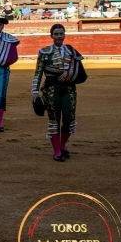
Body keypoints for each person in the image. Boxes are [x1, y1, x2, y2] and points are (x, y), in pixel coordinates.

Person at [31, 24, 85, 162]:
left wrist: (69, 75)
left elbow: (80, 72)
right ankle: (57, 151)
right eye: (56, 34)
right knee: (54, 120)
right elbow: (38, 73)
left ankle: (61, 146)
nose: (59, 36)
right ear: (52, 36)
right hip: (51, 89)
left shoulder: (71, 51)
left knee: (68, 119)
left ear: (64, 35)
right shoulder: (44, 52)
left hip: (69, 89)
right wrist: (35, 91)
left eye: (61, 33)